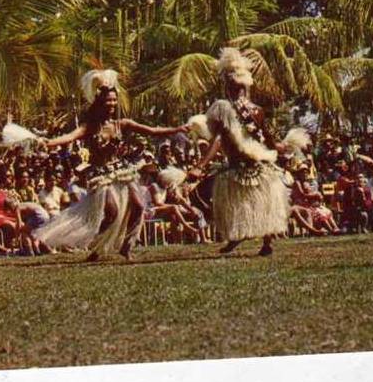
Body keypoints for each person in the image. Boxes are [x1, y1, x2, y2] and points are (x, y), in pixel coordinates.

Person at [25, 69, 188, 261]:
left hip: (122, 171)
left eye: (113, 100)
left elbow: (152, 130)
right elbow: (68, 137)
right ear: (100, 103)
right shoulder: (90, 127)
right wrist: (47, 142)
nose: (112, 103)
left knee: (138, 206)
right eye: (108, 100)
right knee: (112, 212)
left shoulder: (122, 124)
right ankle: (96, 247)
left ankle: (127, 246)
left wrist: (177, 129)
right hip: (101, 176)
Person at [189, 48, 291, 257]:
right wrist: (278, 147)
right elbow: (268, 140)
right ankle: (250, 240)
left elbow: (219, 139)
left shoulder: (228, 108)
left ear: (229, 86)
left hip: (251, 165)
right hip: (245, 166)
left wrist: (200, 166)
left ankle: (262, 242)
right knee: (247, 204)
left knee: (261, 203)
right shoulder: (252, 109)